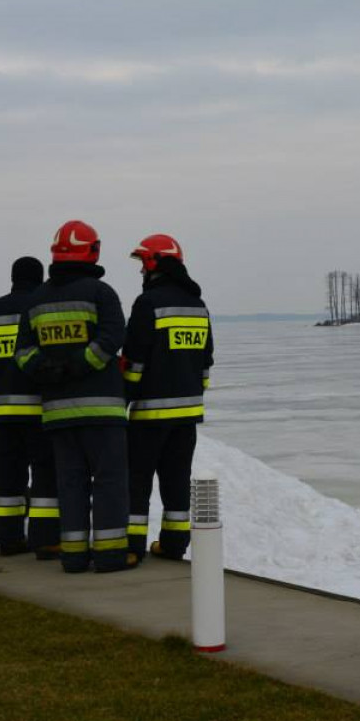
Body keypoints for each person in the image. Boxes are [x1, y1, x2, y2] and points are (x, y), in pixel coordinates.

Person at [14, 220, 134, 573]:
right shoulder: (101, 293)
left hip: (56, 414)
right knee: (110, 481)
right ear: (92, 251)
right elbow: (113, 338)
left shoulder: (36, 300)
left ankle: (74, 556)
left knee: (70, 484)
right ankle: (111, 555)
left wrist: (48, 370)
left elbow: (22, 353)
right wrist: (78, 365)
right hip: (102, 410)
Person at [121, 234, 214, 562]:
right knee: (176, 483)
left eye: (143, 264)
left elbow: (134, 362)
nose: (141, 272)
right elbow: (205, 364)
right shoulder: (198, 305)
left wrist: (123, 399)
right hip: (187, 416)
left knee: (137, 483)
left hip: (148, 415)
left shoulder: (147, 304)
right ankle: (174, 545)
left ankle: (131, 549)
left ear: (153, 264)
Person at [0, 257, 60, 558]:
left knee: (9, 477)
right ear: (41, 277)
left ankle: (8, 540)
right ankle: (44, 540)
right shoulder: (42, 308)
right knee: (45, 474)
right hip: (40, 409)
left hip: (6, 411)